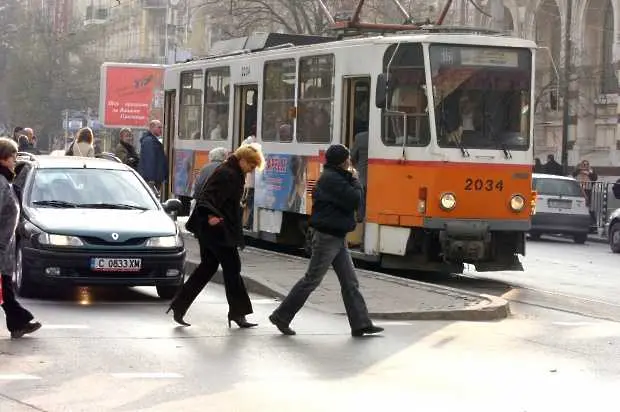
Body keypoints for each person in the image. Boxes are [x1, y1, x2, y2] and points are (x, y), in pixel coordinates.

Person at [269, 144, 384, 337]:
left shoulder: (335, 176)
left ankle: (361, 324)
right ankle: (281, 315)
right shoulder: (332, 179)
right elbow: (355, 199)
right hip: (327, 237)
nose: (350, 161)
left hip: (336, 236)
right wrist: (355, 180)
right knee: (312, 280)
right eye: (347, 158)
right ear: (342, 160)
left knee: (350, 282)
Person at [167, 143, 265, 328]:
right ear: (243, 160)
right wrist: (212, 216)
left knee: (208, 267)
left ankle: (179, 306)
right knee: (232, 268)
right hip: (217, 231)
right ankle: (238, 313)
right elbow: (207, 198)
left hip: (213, 230)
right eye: (251, 166)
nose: (251, 170)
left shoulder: (233, 171)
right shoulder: (228, 173)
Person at [0, 137, 42, 339]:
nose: (15, 160)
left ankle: (18, 322)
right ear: (3, 158)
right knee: (5, 289)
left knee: (5, 289)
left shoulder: (5, 181)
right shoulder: (1, 184)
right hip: (1, 248)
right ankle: (19, 321)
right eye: (13, 156)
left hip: (4, 249)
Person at [138, 120, 168, 195]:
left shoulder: (152, 140)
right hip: (152, 179)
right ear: (151, 128)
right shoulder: (149, 141)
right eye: (159, 127)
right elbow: (149, 161)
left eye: (161, 128)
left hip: (154, 178)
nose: (161, 130)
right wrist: (151, 179)